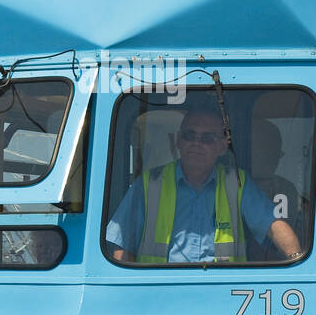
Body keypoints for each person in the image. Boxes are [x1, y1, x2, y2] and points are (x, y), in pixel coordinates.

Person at [106, 102, 302, 264]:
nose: (196, 143)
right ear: (178, 141)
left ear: (222, 147)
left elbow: (274, 225)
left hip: (222, 295)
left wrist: (296, 263)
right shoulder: (149, 184)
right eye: (189, 135)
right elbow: (122, 245)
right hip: (161, 296)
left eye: (207, 138)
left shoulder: (237, 182)